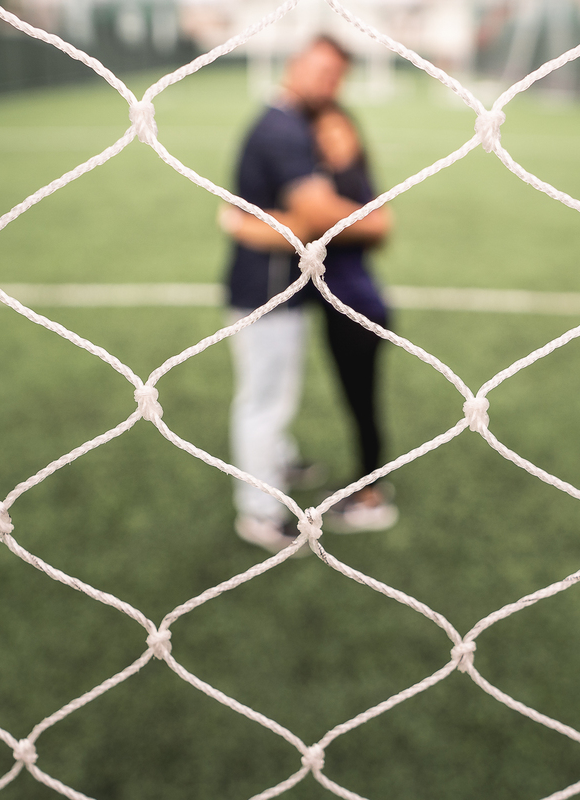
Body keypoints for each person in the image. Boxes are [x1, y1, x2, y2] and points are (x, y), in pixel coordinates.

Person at [221, 36, 394, 553]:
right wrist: (375, 217)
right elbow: (318, 214)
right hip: (267, 291)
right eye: (319, 70)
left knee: (277, 391)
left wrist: (255, 224)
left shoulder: (295, 125)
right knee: (264, 400)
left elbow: (309, 218)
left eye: (336, 77)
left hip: (291, 290)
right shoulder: (283, 128)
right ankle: (259, 513)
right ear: (294, 65)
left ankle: (281, 464)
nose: (327, 83)